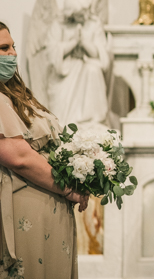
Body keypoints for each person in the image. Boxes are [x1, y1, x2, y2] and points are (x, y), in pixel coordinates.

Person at [0, 21, 88, 279]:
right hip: (24, 215)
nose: (13, 54)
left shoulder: (13, 94)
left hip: (49, 212)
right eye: (3, 48)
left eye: (13, 46)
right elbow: (19, 157)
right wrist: (70, 188)